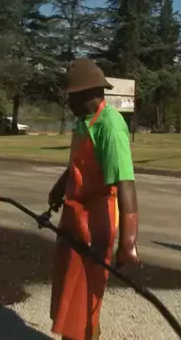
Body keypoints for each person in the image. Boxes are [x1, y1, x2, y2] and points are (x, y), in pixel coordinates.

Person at [47, 58, 141, 340]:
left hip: (95, 225)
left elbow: (126, 185)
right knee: (67, 297)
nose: (67, 103)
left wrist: (128, 244)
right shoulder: (82, 121)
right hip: (74, 218)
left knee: (86, 302)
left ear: (84, 94)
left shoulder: (110, 127)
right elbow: (78, 163)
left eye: (70, 97)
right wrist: (59, 188)